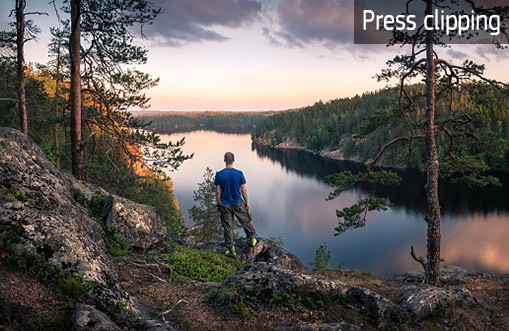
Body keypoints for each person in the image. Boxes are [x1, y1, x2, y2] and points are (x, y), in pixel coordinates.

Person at [215, 152, 257, 257]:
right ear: (233, 160)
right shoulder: (239, 173)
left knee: (228, 227)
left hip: (225, 204)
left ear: (224, 160)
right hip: (237, 202)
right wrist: (247, 202)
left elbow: (218, 192)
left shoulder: (219, 174)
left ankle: (231, 249)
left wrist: (218, 204)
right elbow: (243, 190)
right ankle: (252, 238)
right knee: (246, 220)